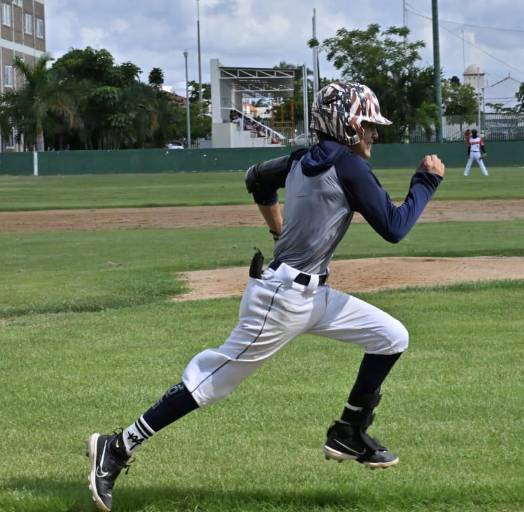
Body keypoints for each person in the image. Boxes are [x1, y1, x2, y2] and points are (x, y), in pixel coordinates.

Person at [85, 82, 445, 512]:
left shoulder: (299, 160)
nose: (374, 134)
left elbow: (255, 179)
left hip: (312, 295)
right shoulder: (348, 165)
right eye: (368, 124)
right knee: (210, 382)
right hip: (281, 301)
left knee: (391, 336)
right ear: (347, 123)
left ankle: (349, 430)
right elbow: (394, 227)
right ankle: (117, 446)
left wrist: (279, 234)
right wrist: (425, 182)